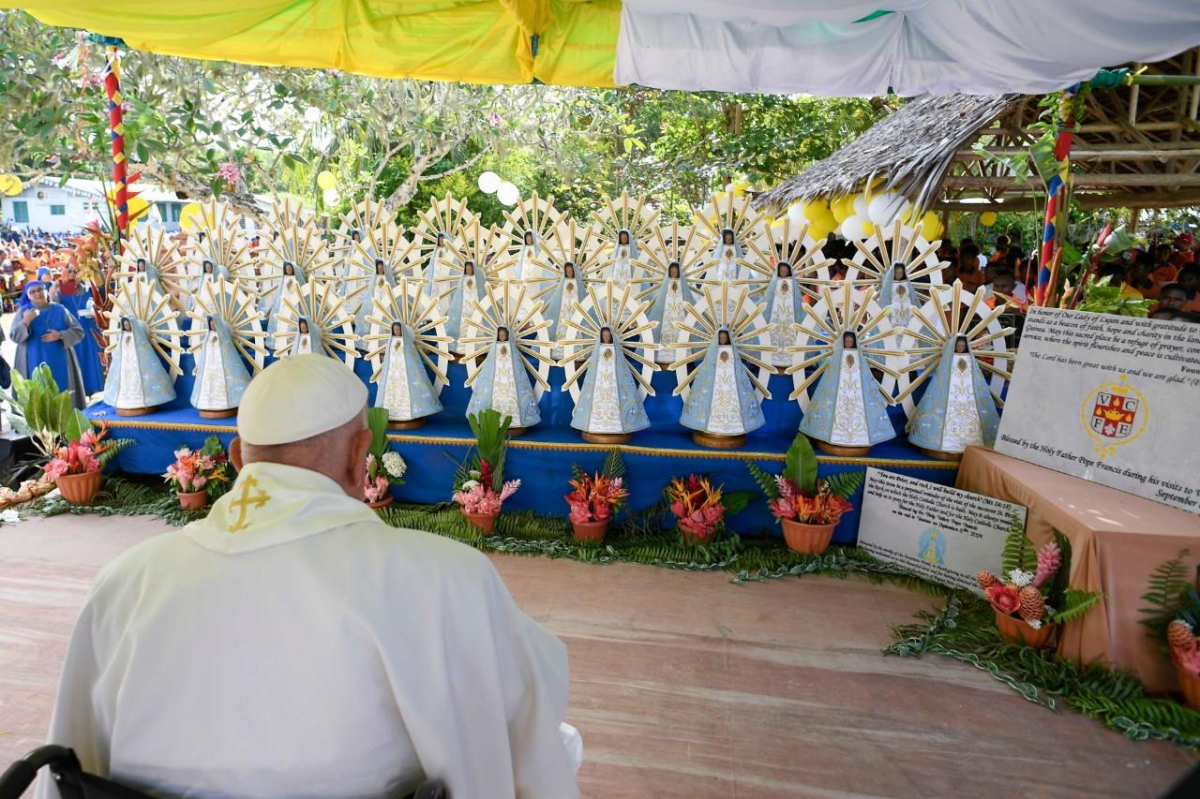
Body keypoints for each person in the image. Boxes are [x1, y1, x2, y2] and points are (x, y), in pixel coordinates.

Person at [38, 354, 582, 799]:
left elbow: (66, 769)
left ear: (235, 458)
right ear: (359, 457)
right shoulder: (446, 580)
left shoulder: (127, 582)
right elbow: (523, 749)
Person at [9, 281, 86, 408]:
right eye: (32, 292)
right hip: (32, 361)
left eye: (40, 289)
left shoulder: (60, 309)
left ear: (46, 290)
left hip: (60, 360)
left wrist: (60, 335)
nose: (37, 293)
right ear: (28, 296)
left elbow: (78, 331)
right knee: (37, 397)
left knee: (62, 393)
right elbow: (14, 336)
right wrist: (25, 321)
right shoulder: (23, 312)